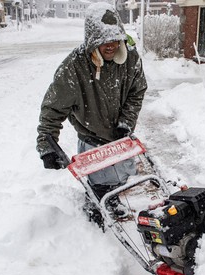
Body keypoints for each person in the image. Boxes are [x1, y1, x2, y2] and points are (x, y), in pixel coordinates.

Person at [36, 3, 147, 221]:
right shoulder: (73, 67)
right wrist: (46, 146)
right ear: (92, 40)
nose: (111, 45)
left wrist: (127, 121)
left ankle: (112, 201)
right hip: (92, 140)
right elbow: (53, 108)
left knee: (120, 179)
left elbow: (137, 91)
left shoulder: (130, 59)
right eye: (104, 40)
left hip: (119, 137)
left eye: (115, 39)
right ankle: (95, 216)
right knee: (99, 186)